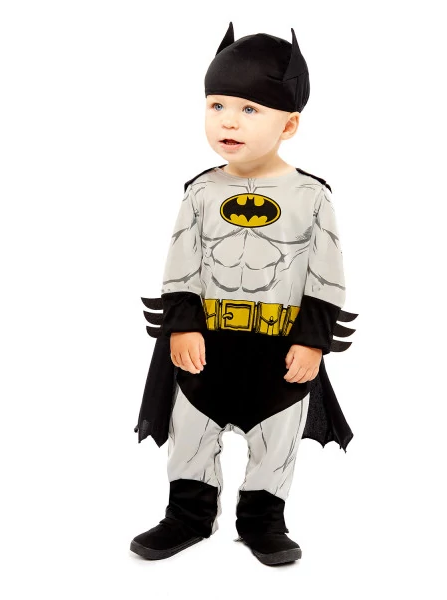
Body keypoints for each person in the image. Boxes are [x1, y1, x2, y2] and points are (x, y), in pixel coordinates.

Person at [131, 22, 358, 566]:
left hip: (279, 348)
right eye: (217, 105)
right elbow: (181, 265)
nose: (228, 120)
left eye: (250, 109)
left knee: (276, 437)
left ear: (290, 123)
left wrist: (313, 340)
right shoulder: (200, 192)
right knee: (191, 429)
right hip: (207, 342)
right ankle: (187, 516)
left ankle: (263, 522)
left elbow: (325, 273)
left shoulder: (311, 196)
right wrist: (182, 325)